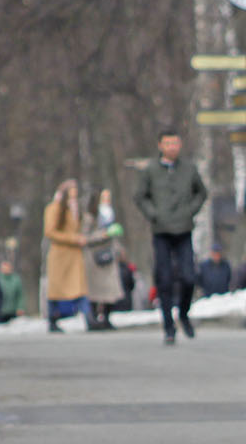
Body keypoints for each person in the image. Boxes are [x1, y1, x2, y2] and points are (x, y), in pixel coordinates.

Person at [134, 126, 207, 345]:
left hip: (184, 229)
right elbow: (140, 196)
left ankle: (183, 313)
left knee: (188, 277)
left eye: (175, 143)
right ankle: (168, 326)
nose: (171, 147)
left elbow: (201, 193)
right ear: (160, 146)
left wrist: (190, 210)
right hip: (161, 231)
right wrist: (153, 213)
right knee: (164, 279)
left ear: (180, 145)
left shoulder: (189, 168)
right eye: (167, 143)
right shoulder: (151, 170)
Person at [43, 179, 91, 333]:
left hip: (74, 255)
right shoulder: (54, 208)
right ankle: (52, 318)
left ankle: (88, 317)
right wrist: (74, 239)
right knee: (57, 289)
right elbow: (50, 232)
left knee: (80, 287)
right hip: (60, 255)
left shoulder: (74, 209)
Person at [83, 188, 122, 330]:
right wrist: (103, 234)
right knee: (94, 291)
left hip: (108, 257)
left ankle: (106, 317)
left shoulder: (109, 214)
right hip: (94, 258)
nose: (107, 201)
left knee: (110, 289)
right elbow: (85, 237)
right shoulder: (90, 217)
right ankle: (93, 318)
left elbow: (113, 236)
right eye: (104, 198)